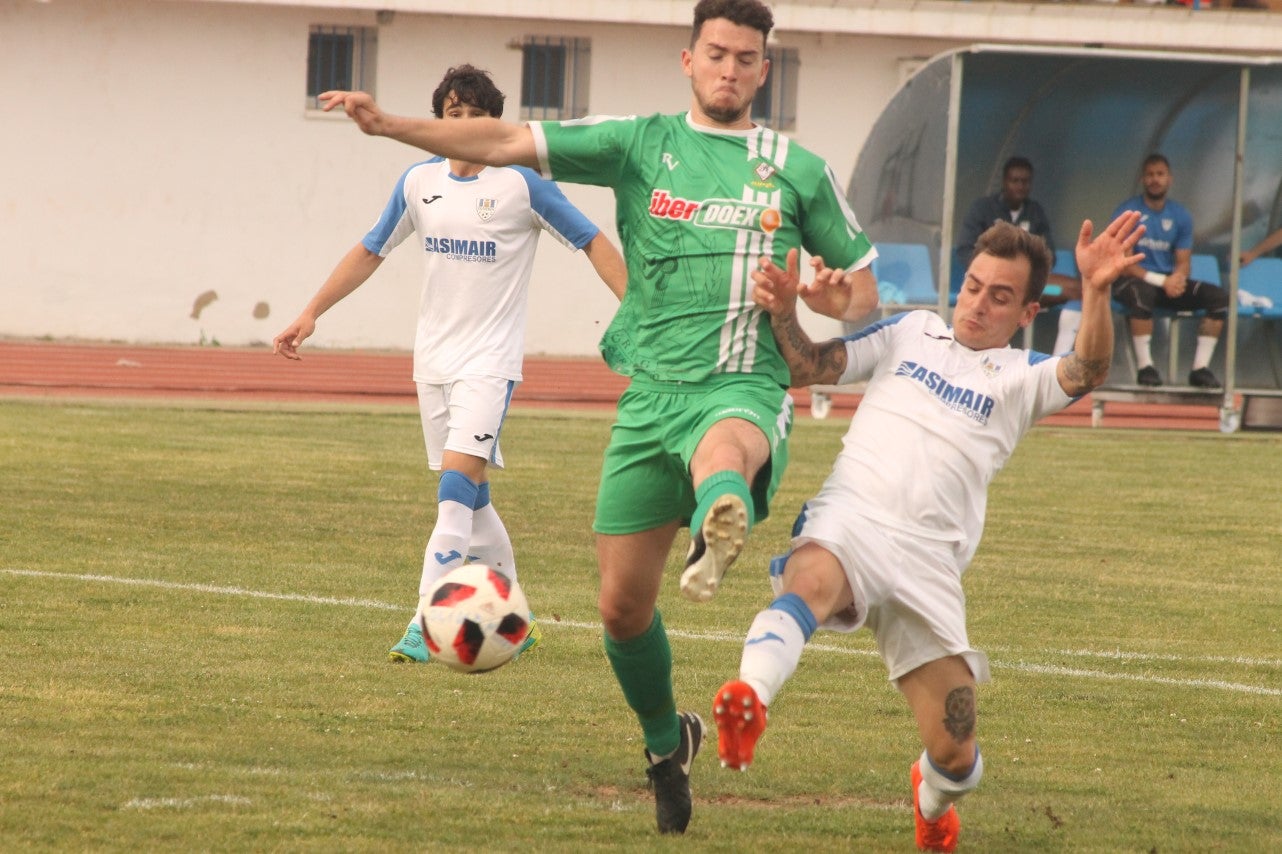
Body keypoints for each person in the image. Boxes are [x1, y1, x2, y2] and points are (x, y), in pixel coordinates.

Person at [317, 0, 880, 835]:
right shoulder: (637, 143)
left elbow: (863, 293)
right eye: (717, 53)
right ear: (687, 60)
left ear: (766, 71)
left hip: (742, 385)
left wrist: (832, 301)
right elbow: (504, 143)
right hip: (649, 395)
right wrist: (388, 126)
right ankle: (668, 743)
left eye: (747, 58)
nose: (731, 69)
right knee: (620, 608)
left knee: (724, 445)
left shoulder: (797, 170)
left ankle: (717, 512)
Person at [713, 212, 1145, 853]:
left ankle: (931, 797)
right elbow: (806, 366)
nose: (979, 304)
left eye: (1000, 297)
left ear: (1026, 312)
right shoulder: (911, 332)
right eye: (973, 286)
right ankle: (748, 698)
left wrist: (1098, 289)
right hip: (852, 518)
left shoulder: (1021, 377)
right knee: (810, 581)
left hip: (929, 566)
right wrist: (785, 309)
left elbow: (1088, 370)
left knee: (956, 749)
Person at [272, 65, 627, 665]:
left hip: (490, 365)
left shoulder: (523, 184)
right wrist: (312, 311)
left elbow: (594, 240)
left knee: (454, 493)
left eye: (475, 116)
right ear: (439, 121)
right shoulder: (418, 182)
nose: (462, 126)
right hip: (432, 363)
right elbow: (370, 249)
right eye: (452, 115)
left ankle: (421, 619)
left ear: (493, 123)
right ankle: (523, 620)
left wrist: (639, 314)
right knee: (475, 496)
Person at [1109, 153, 1230, 388]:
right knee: (1141, 294)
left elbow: (1184, 260)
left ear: (1169, 179)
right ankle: (1146, 367)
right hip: (1132, 280)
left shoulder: (1180, 215)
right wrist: (1160, 280)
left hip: (1165, 283)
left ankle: (1199, 369)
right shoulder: (1129, 212)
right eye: (1150, 174)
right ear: (1143, 179)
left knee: (1219, 298)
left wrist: (1177, 278)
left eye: (1160, 174)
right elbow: (1124, 262)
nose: (1155, 179)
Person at [956, 156, 1082, 354]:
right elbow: (964, 249)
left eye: (1025, 182)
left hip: (1033, 286)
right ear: (1004, 182)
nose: (1020, 186)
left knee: (1078, 289)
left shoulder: (1035, 211)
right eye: (1014, 180)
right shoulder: (983, 208)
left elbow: (1049, 255)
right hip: (993, 286)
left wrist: (1030, 273)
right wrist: (988, 272)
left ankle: (1060, 359)